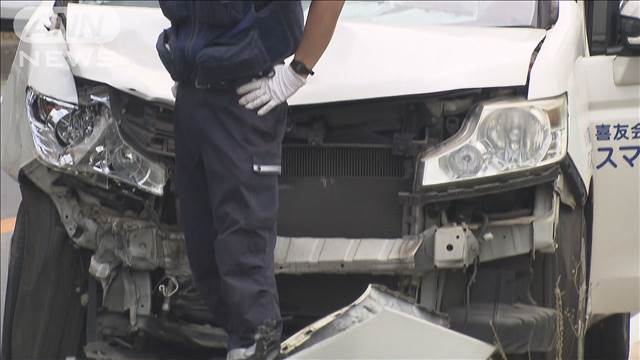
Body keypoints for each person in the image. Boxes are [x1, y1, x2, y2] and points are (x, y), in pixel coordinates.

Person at [156, 1, 343, 359]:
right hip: (194, 93)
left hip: (246, 98)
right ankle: (243, 342)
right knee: (204, 252)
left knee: (243, 255)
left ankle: (256, 347)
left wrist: (298, 71)